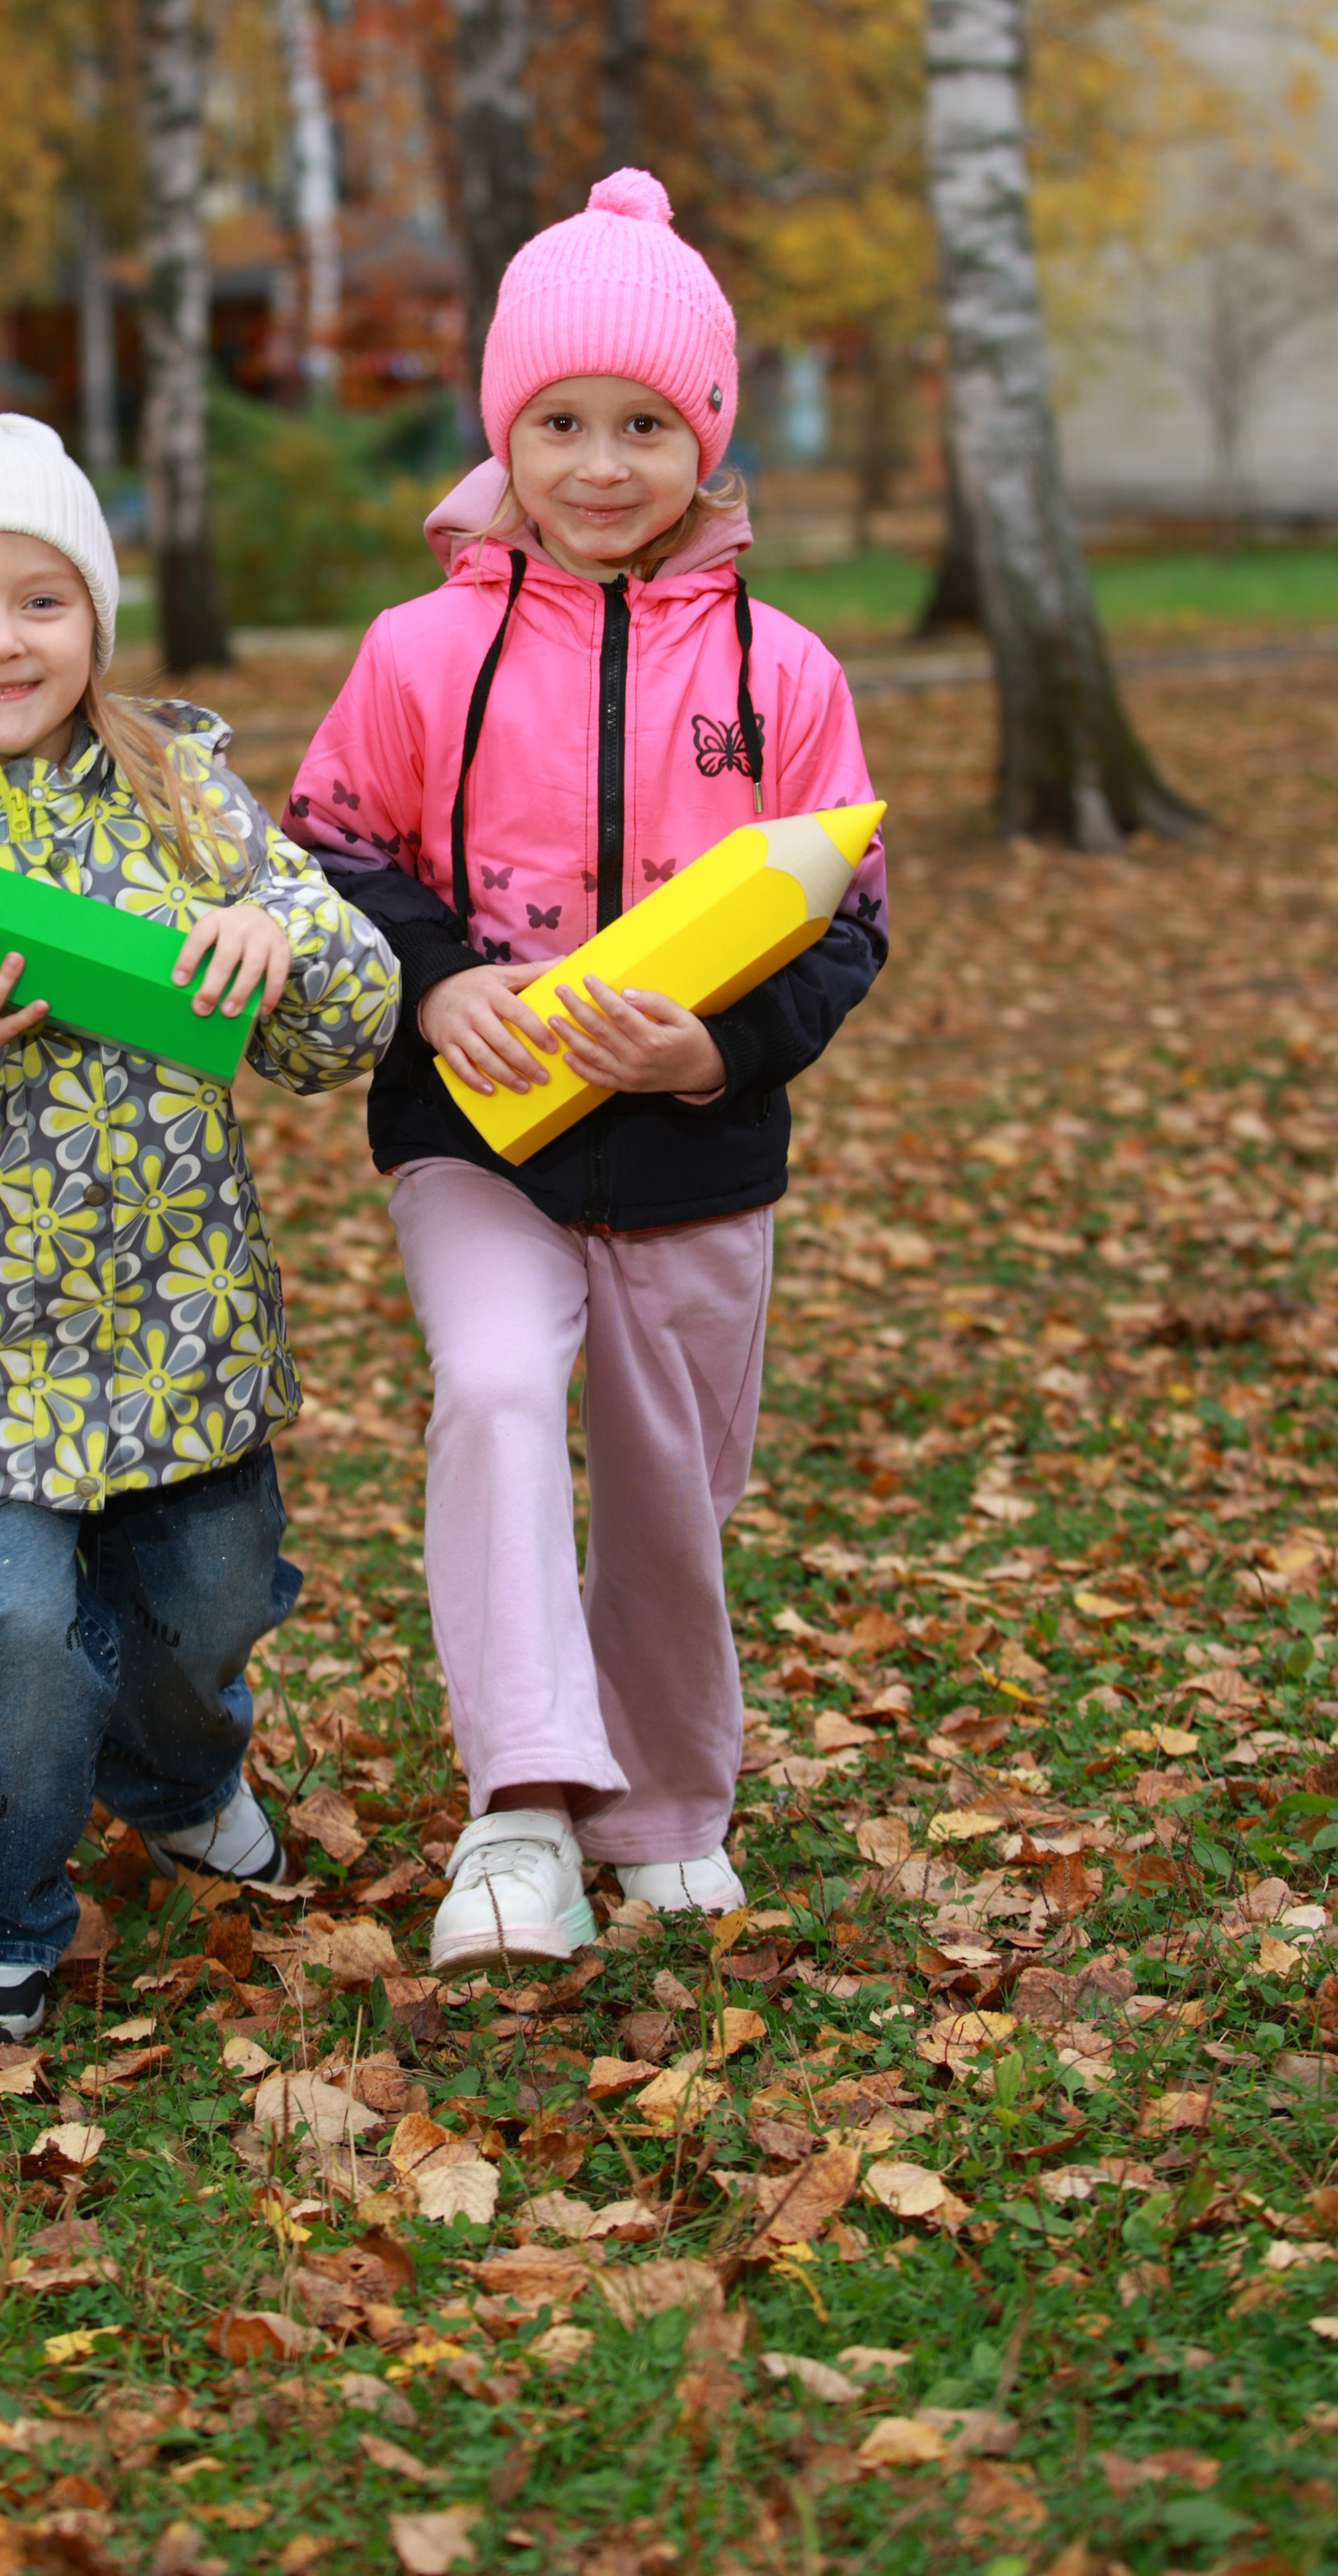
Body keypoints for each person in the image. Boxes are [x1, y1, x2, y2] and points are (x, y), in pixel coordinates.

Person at [286, 171, 887, 1972]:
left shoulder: (782, 670)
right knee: (486, 1392)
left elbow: (844, 918)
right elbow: (318, 852)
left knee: (666, 1485)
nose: (601, 463)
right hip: (475, 1139)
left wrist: (719, 1049)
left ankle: (664, 1806)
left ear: (703, 438)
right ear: (506, 430)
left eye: (643, 424)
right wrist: (436, 983)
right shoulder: (417, 653)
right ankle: (520, 1809)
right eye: (559, 422)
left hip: (699, 1157)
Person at [0, 415, 398, 2039]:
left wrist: (279, 940)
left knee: (209, 1608)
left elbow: (347, 1027)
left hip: (180, 1325)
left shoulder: (188, 794)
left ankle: (177, 1781)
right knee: (13, 1633)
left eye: (39, 600)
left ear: (97, 620)